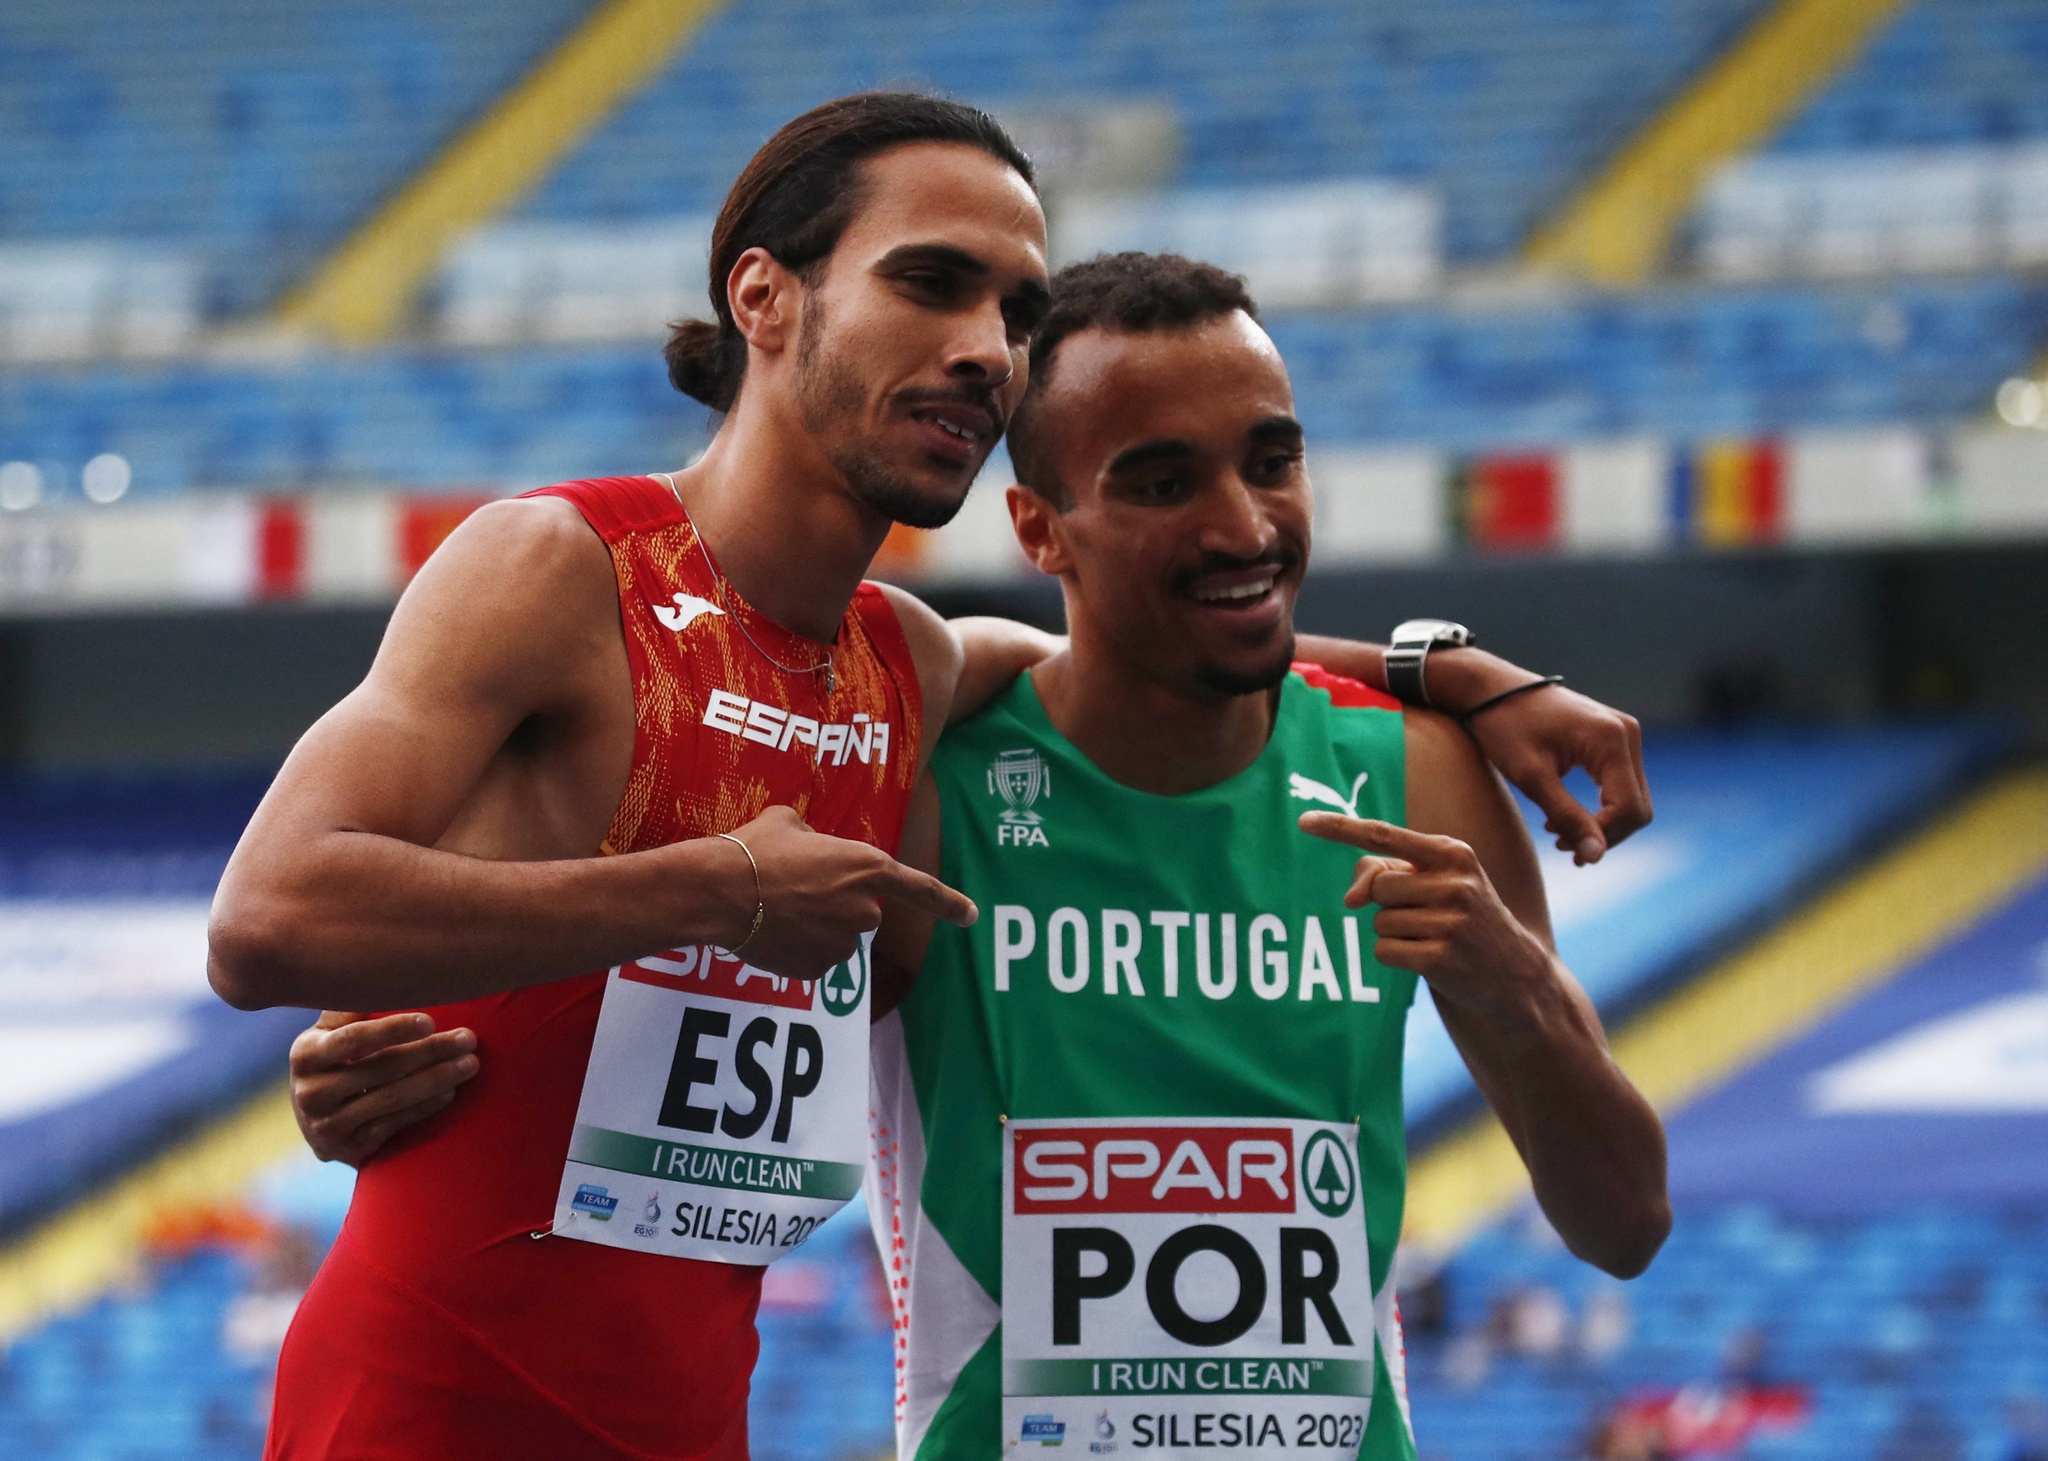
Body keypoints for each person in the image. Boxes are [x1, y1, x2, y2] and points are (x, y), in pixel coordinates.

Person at [221, 96, 1651, 1461]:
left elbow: (1152, 624)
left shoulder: (903, 660)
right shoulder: (560, 566)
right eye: (933, 284)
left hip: (686, 1417)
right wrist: (717, 888)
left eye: (1016, 313)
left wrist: (1454, 673)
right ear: (765, 297)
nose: (986, 347)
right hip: (430, 1404)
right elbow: (266, 916)